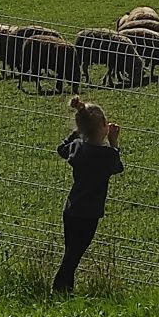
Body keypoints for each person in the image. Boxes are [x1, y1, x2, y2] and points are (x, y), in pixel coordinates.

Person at [52, 95, 123, 294]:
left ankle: (66, 290)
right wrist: (114, 142)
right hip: (89, 214)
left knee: (71, 252)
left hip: (71, 209)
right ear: (103, 125)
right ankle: (58, 290)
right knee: (73, 255)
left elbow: (61, 149)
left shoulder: (77, 148)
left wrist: (76, 133)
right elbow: (117, 166)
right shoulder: (106, 156)